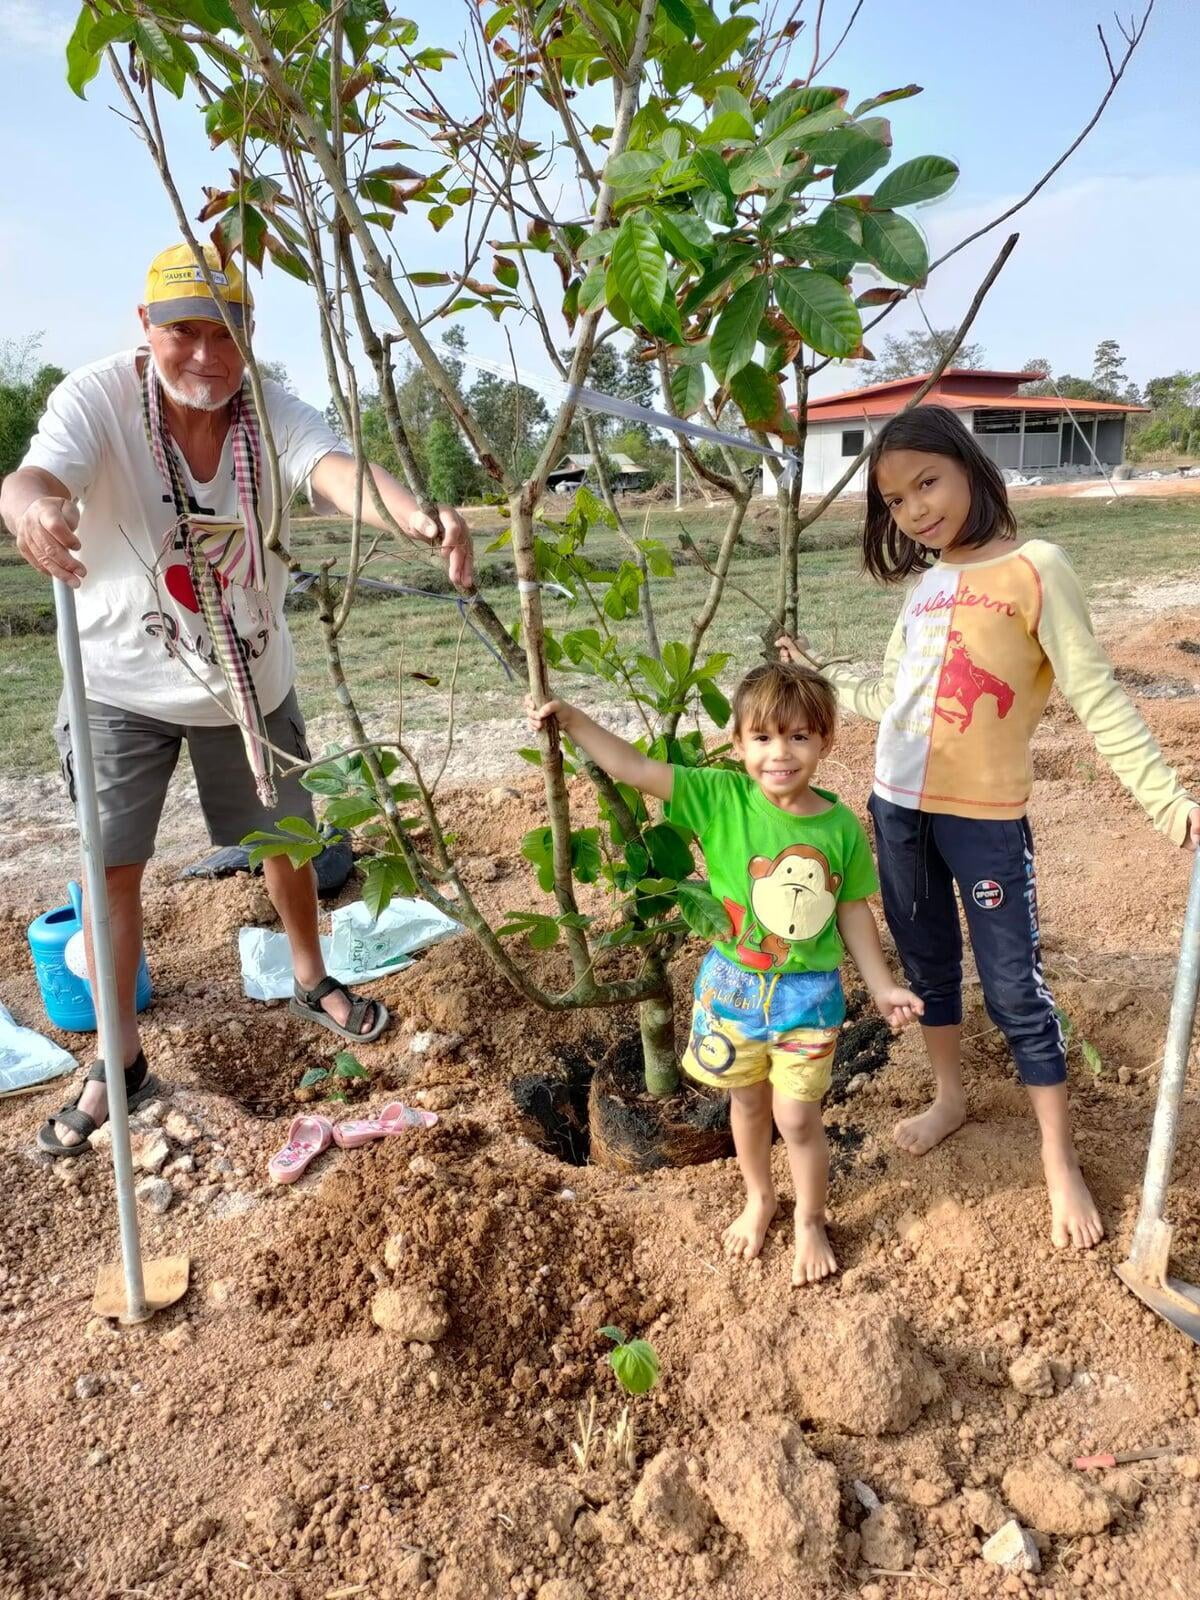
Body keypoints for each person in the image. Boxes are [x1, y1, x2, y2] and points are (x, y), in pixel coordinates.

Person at [0, 243, 474, 1157]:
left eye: (230, 334)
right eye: (186, 333)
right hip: (117, 681)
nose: (209, 357)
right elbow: (32, 476)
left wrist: (415, 517)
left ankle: (309, 977)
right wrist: (32, 513)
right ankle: (120, 1060)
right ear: (147, 330)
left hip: (248, 678)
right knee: (111, 868)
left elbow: (335, 469)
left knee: (288, 842)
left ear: (251, 336)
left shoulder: (266, 407)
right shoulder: (97, 398)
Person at [779, 403, 1200, 1250]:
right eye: (895, 501)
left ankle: (1057, 1157)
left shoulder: (1036, 568)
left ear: (969, 465)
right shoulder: (924, 589)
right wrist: (821, 679)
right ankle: (950, 1095)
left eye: (926, 483)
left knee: (1013, 986)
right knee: (928, 963)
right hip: (897, 811)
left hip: (985, 824)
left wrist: (1168, 800)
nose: (915, 510)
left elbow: (1097, 696)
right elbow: (895, 700)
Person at [529, 664, 922, 1284]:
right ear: (737, 744)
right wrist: (573, 720)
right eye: (762, 738)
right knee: (745, 1104)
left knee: (796, 1117)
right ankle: (760, 1198)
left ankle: (811, 1218)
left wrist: (882, 984)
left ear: (825, 741)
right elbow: (635, 767)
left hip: (809, 1000)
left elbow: (851, 909)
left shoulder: (840, 826)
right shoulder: (718, 798)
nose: (780, 754)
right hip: (733, 991)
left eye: (798, 736)